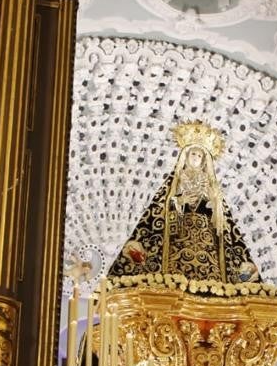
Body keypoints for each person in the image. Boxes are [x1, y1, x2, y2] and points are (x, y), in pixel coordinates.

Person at [107, 121, 259, 284]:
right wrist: (180, 201)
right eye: (193, 154)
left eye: (199, 156)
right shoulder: (176, 181)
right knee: (175, 275)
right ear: (186, 156)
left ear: (204, 161)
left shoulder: (211, 185)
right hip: (180, 234)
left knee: (210, 277)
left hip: (205, 237)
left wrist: (215, 204)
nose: (196, 158)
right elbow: (160, 208)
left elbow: (223, 223)